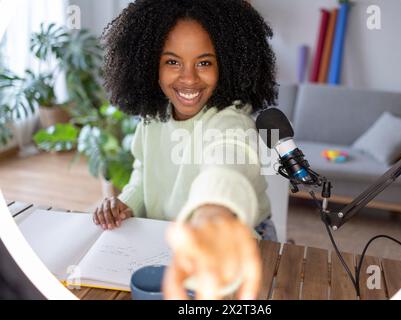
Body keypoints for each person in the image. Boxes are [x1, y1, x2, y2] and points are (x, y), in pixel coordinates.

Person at [95, 0, 278, 300]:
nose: (189, 78)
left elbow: (227, 167)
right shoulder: (152, 119)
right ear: (149, 64)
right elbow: (144, 173)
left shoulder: (231, 120)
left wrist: (212, 213)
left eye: (204, 62)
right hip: (166, 241)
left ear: (228, 64)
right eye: (172, 62)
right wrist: (125, 202)